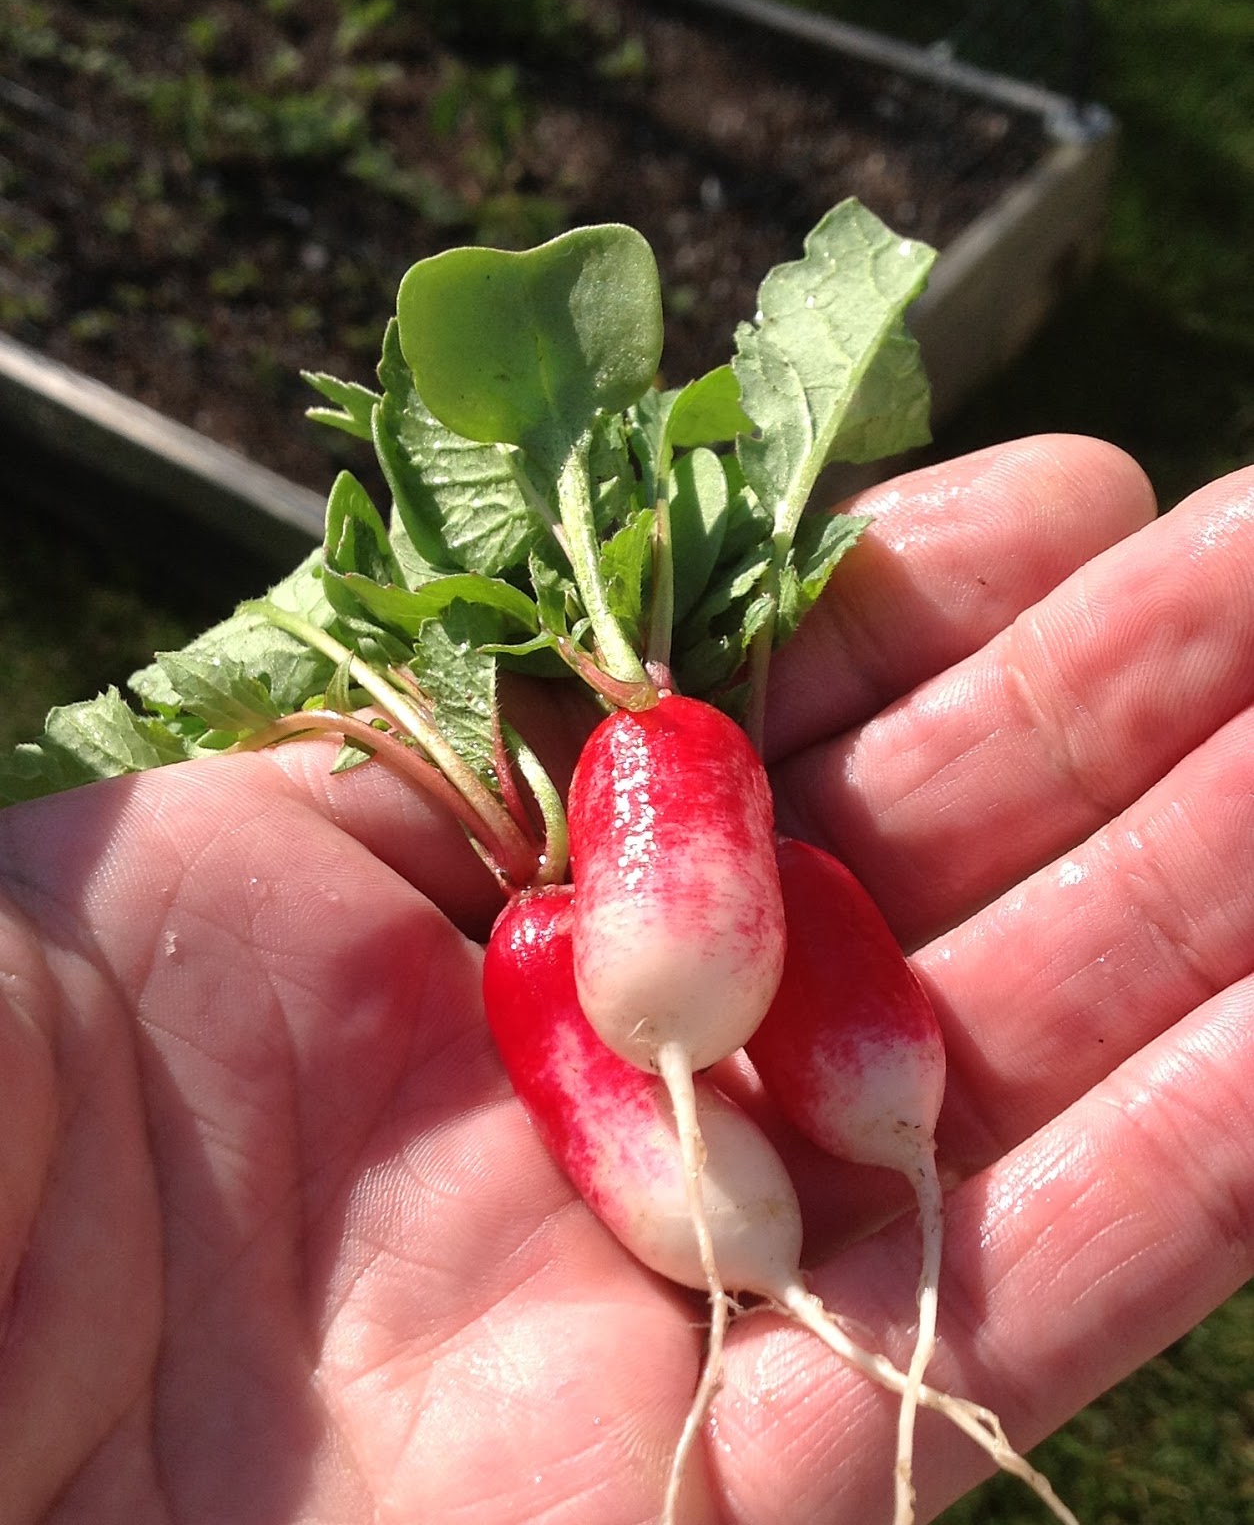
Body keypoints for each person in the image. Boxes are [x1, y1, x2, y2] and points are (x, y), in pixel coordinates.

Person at [2, 433, 1252, 1524]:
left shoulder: (663, 789)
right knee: (646, 999)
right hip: (595, 945)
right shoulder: (560, 930)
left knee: (707, 976)